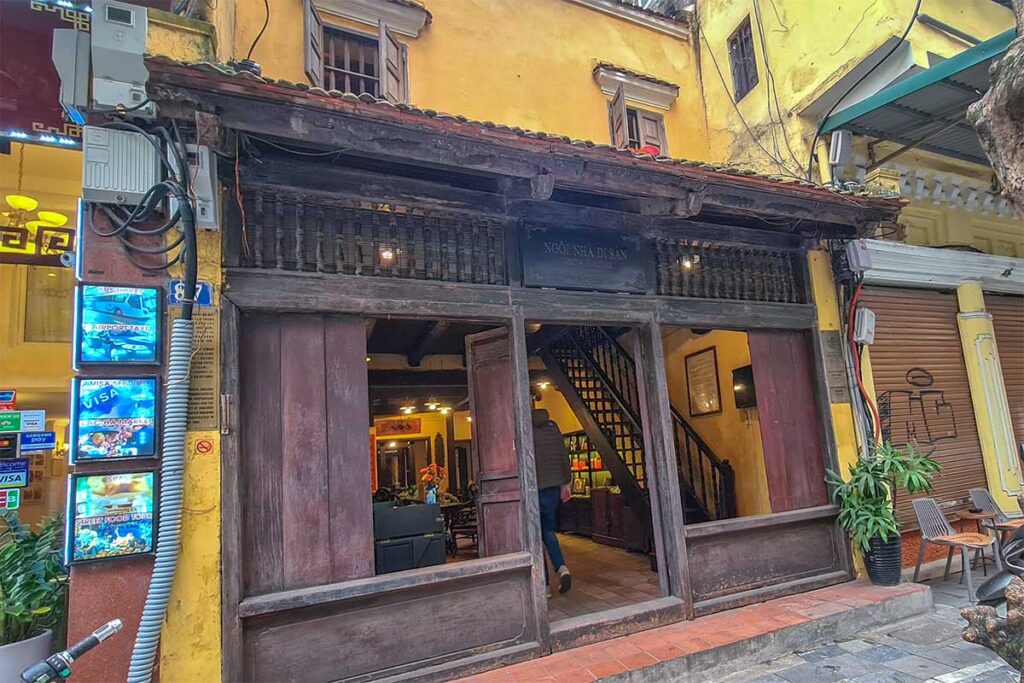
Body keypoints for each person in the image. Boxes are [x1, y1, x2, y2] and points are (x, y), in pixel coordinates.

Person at [532, 408, 572, 594]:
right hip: (553, 489)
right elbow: (564, 457)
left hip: (534, 488)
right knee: (548, 531)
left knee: (534, 538)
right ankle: (562, 567)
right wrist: (566, 484)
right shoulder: (553, 427)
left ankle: (544, 585)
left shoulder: (525, 428)